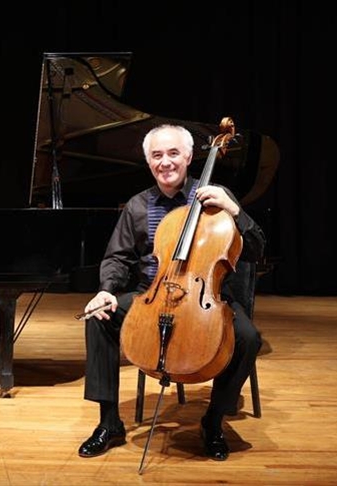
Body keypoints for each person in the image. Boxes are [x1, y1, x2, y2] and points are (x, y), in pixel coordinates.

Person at [77, 124, 264, 461]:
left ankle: (212, 422)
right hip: (151, 294)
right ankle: (109, 423)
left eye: (173, 153)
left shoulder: (216, 199)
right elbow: (117, 257)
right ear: (149, 161)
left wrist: (235, 211)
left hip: (206, 296)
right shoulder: (137, 205)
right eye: (157, 155)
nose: (165, 162)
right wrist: (106, 290)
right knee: (98, 316)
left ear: (189, 156)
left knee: (247, 338)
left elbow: (256, 249)